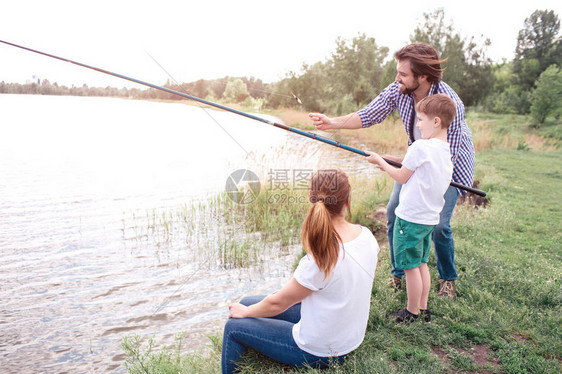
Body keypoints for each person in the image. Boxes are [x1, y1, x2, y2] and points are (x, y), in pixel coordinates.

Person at [309, 42, 475, 300]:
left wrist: (392, 161)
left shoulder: (450, 102)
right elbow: (369, 115)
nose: (397, 78)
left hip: (449, 166)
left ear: (422, 76)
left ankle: (448, 280)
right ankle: (399, 273)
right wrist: (332, 123)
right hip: (415, 157)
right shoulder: (398, 90)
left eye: (403, 74)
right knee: (394, 212)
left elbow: (441, 158)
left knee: (439, 224)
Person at [221, 169, 379, 374]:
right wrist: (249, 309)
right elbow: (295, 295)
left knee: (233, 327)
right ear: (347, 201)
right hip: (349, 337)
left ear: (312, 201)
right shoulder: (366, 237)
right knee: (247, 303)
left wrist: (246, 314)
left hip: (321, 351)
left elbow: (279, 302)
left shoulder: (322, 257)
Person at [366, 94, 454, 322]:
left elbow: (402, 177)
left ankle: (411, 312)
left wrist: (380, 163)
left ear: (436, 121)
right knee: (421, 263)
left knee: (409, 267)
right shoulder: (446, 152)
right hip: (428, 219)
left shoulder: (420, 147)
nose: (417, 124)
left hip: (410, 218)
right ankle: (422, 308)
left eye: (421, 119)